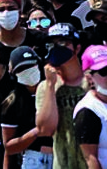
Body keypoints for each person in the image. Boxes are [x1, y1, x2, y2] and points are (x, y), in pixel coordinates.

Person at [36, 22, 87, 169]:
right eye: (52, 44)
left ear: (77, 48)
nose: (57, 47)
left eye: (63, 42)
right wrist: (51, 86)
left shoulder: (94, 80)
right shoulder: (45, 87)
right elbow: (45, 129)